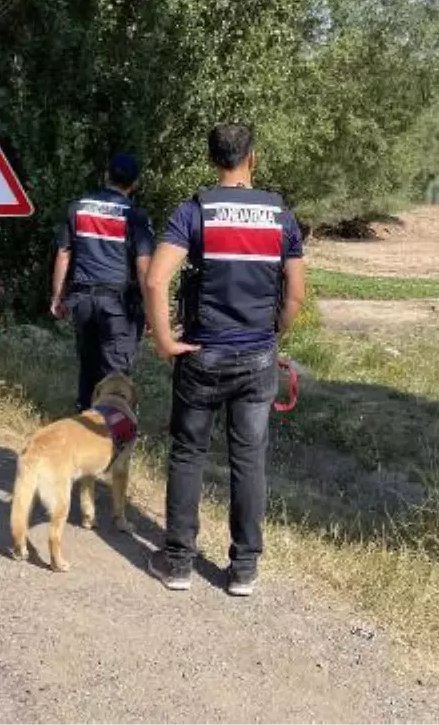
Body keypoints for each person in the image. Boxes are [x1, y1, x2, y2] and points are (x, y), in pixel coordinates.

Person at [143, 123, 306, 598]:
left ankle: (176, 563)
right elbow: (295, 293)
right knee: (248, 458)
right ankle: (244, 570)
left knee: (189, 452)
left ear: (214, 159)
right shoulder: (281, 216)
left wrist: (163, 342)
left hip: (202, 354)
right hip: (256, 357)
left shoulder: (195, 211)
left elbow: (156, 281)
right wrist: (273, 334)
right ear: (252, 156)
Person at [51, 152, 155, 412]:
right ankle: (110, 433)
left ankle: (85, 423)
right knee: (115, 377)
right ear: (135, 184)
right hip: (118, 307)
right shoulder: (135, 217)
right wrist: (153, 311)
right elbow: (143, 268)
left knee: (88, 367)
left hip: (82, 301)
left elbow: (64, 253)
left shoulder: (77, 208)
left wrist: (57, 296)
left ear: (106, 176)